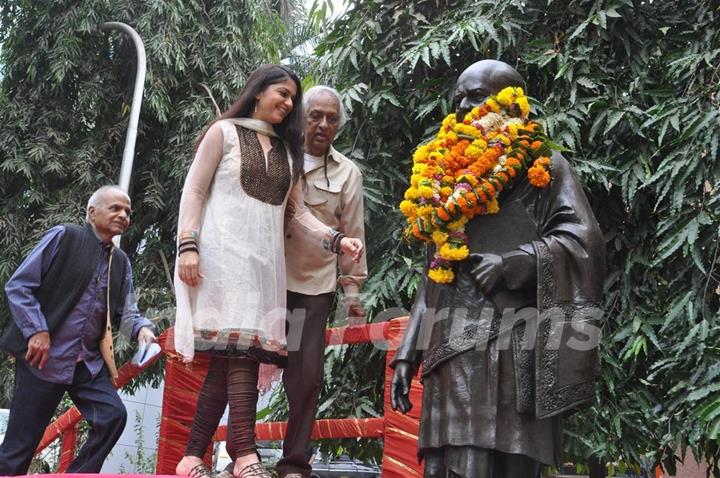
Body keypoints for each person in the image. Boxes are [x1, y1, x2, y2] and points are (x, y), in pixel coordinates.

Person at [390, 60, 606, 477]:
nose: (463, 108)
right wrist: (408, 352)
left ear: (513, 103)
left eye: (476, 96)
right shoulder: (443, 179)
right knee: (449, 461)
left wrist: (515, 263)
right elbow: (434, 266)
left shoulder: (545, 165)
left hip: (510, 337)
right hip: (446, 343)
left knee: (505, 459)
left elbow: (585, 241)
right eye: (458, 99)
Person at [173, 65, 363, 478]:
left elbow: (296, 213)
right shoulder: (221, 133)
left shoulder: (286, 151)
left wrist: (336, 240)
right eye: (283, 93)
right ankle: (245, 454)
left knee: (233, 355)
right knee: (239, 354)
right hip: (220, 259)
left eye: (293, 97)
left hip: (263, 269)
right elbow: (194, 190)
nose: (289, 103)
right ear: (258, 92)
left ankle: (190, 458)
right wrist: (188, 245)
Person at [0, 185, 156, 475]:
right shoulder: (65, 236)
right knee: (18, 449)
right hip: (43, 361)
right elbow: (19, 286)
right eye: (115, 208)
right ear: (91, 212)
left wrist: (142, 330)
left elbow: (127, 312)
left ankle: (76, 476)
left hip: (86, 364)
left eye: (127, 212)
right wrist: (37, 330)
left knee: (113, 416)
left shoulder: (120, 262)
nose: (123, 215)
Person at [275, 85, 367, 478]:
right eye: (315, 116)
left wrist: (353, 293)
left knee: (306, 376)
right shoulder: (278, 156)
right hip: (267, 277)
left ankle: (294, 463)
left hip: (312, 284)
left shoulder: (348, 173)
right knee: (242, 365)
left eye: (331, 118)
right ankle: (240, 452)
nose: (323, 125)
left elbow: (353, 233)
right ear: (301, 117)